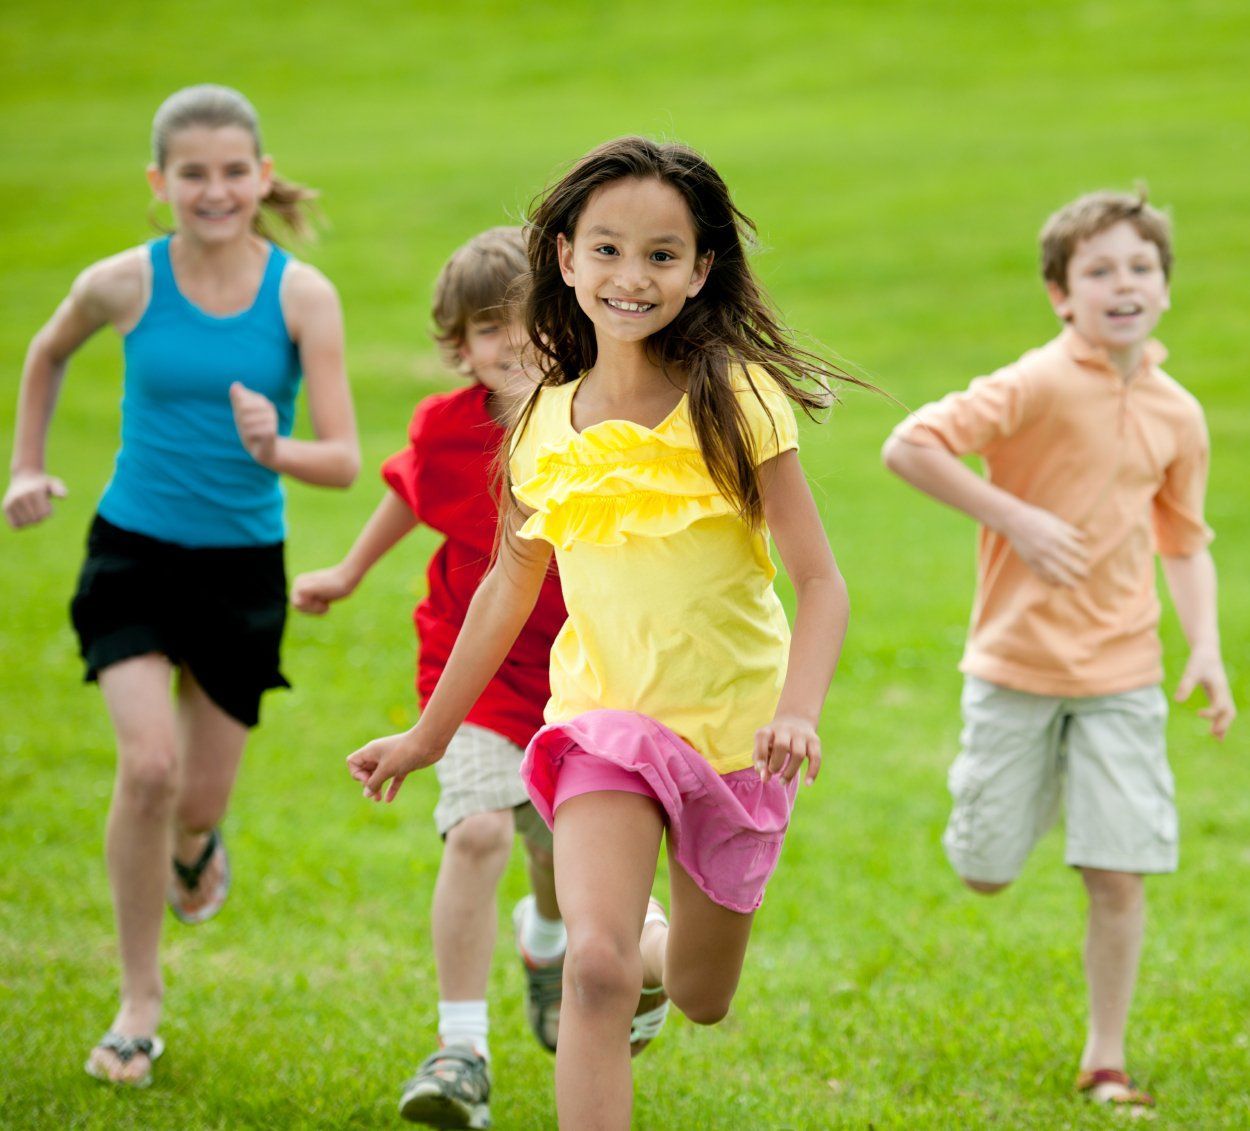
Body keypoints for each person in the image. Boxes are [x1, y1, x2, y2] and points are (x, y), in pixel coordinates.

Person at [346, 136, 855, 1131]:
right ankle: (621, 950)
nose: (632, 276)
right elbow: (504, 590)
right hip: (600, 723)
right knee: (593, 967)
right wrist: (427, 736)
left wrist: (798, 711)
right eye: (607, 250)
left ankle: (660, 951)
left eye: (662, 255)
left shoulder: (734, 399)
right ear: (565, 258)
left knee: (701, 995)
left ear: (699, 269)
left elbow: (820, 581)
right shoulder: (538, 419)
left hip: (734, 733)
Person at [2, 84, 359, 1088]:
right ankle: (137, 1003)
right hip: (134, 553)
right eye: (192, 175)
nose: (215, 191)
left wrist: (271, 445)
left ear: (261, 175)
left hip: (242, 568)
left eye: (233, 172)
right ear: (160, 184)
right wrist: (26, 467)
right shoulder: (122, 282)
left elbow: (339, 458)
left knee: (196, 801)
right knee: (147, 769)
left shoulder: (302, 296)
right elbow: (46, 351)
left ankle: (197, 848)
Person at [882, 190, 1235, 1115]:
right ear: (1060, 293)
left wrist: (1205, 647)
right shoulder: (1036, 382)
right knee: (987, 868)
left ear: (1164, 287)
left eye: (1141, 268)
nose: (1124, 284)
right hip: (1015, 665)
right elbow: (907, 445)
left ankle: (1105, 1059)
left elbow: (1185, 540)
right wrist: (1016, 517)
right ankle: (1022, 793)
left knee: (1118, 872)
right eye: (1100, 270)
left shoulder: (1178, 413)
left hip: (1123, 674)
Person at [291, 226, 568, 1130]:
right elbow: (410, 494)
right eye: (491, 329)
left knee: (559, 850)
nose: (516, 343)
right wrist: (347, 572)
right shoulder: (446, 429)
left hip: (583, 669)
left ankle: (549, 938)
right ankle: (461, 1050)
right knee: (481, 830)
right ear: (459, 345)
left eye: (531, 322)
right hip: (473, 667)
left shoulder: (598, 420)